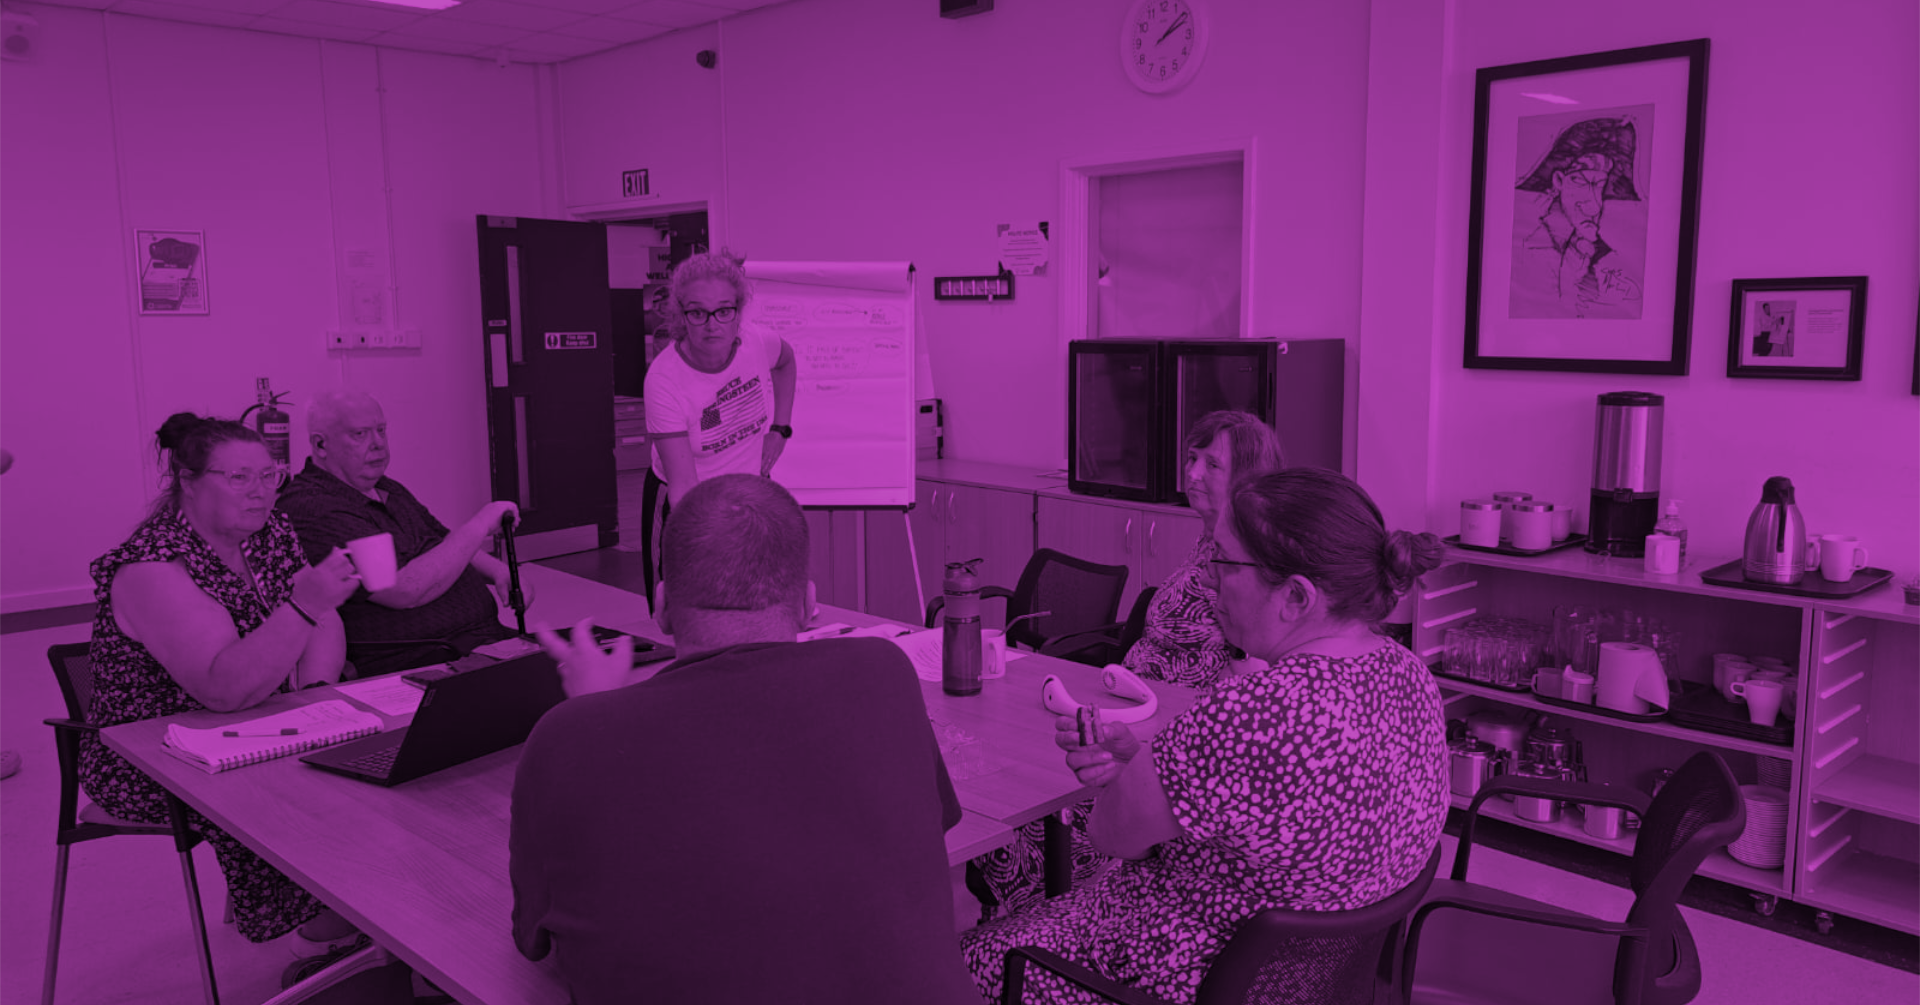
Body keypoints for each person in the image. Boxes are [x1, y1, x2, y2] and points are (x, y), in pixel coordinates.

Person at [960, 467, 1450, 1002]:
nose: (1207, 580)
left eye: (1224, 563)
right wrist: (1149, 770)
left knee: (960, 962)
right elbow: (1266, 817)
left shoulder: (1250, 713)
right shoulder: (1410, 676)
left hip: (1165, 976)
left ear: (1296, 596)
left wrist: (1133, 782)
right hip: (1300, 985)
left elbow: (1109, 835)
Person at [510, 474, 979, 1005]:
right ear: (807, 605)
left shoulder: (566, 739)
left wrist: (592, 712)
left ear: (661, 607)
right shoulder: (883, 673)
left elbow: (534, 939)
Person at [967, 410, 1287, 922]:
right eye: (1191, 459)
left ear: (1248, 478)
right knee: (1013, 775)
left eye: (1212, 464)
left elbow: (1249, 674)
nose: (1193, 474)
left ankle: (1040, 921)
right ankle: (1023, 916)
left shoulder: (1248, 561)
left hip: (1168, 734)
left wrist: (1163, 737)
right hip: (1136, 709)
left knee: (1031, 801)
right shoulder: (1209, 538)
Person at [82, 414, 362, 943]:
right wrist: (305, 606)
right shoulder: (152, 566)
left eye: (269, 475)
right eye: (238, 478)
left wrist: (316, 697)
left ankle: (360, 906)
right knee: (298, 790)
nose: (259, 493)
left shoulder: (268, 531)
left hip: (254, 716)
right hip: (153, 748)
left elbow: (325, 618)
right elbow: (223, 690)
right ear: (188, 481)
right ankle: (338, 914)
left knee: (357, 752)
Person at [276, 390, 523, 676]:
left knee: (577, 659)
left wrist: (498, 570)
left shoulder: (386, 488)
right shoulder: (313, 505)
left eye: (381, 430)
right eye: (360, 434)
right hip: (424, 660)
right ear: (320, 445)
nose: (378, 444)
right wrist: (480, 524)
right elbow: (403, 590)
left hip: (481, 643)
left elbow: (444, 541)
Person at [640, 251, 798, 611]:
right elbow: (683, 486)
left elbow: (787, 362)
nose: (712, 325)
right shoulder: (664, 381)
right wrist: (716, 545)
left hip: (748, 495)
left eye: (724, 311)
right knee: (683, 612)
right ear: (681, 315)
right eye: (698, 313)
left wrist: (780, 428)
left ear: (738, 311)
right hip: (684, 503)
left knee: (754, 606)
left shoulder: (758, 343)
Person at [1510, 116, 1645, 320]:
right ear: (1558, 181)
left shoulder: (1595, 250)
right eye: (1581, 182)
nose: (1594, 203)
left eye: (1599, 184)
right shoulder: (1534, 251)